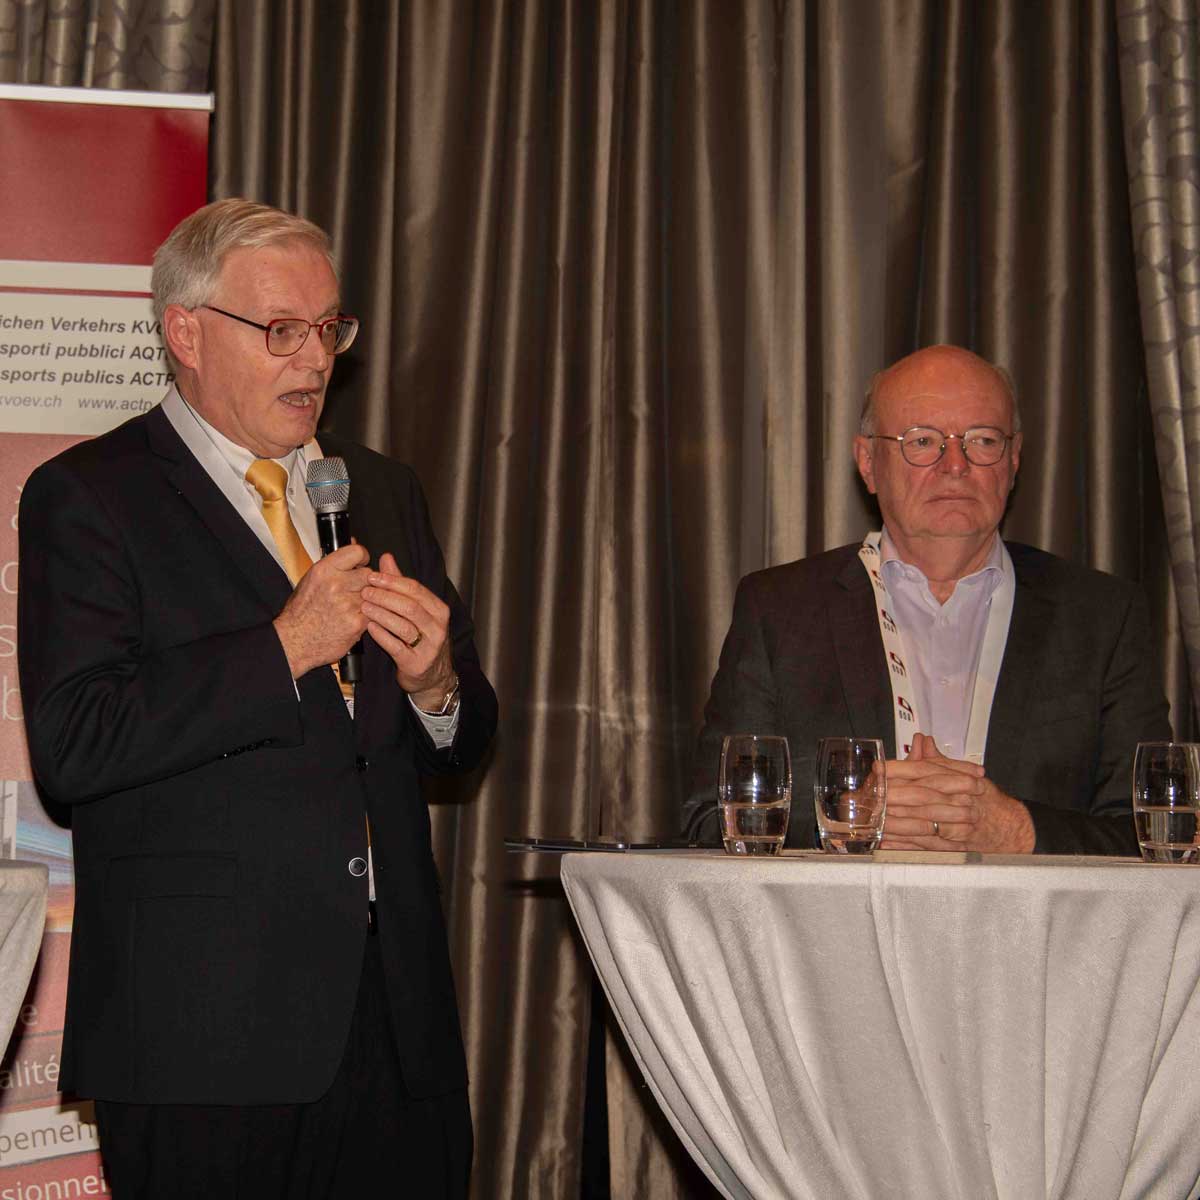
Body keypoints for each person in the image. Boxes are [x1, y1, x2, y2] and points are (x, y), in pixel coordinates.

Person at [17, 199, 497, 1198]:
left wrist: (438, 686)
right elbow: (73, 743)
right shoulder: (91, 495)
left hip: (395, 1021)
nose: (314, 360)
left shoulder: (378, 487)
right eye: (281, 330)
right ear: (186, 334)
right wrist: (283, 648)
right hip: (205, 1035)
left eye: (329, 328)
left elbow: (458, 746)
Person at [685, 344, 1171, 855]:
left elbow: (1155, 836)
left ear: (1014, 460)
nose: (955, 465)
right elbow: (709, 821)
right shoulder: (780, 611)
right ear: (868, 463)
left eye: (983, 440)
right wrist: (849, 815)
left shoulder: (1102, 617)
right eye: (922, 441)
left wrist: (1017, 831)